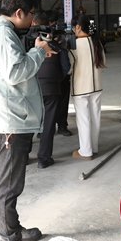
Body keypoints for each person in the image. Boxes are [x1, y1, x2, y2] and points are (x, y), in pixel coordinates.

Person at [0, 0, 56, 241]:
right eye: (31, 13)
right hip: (7, 124)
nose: (33, 20)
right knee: (8, 186)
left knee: (11, 183)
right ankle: (11, 240)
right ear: (19, 12)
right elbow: (15, 72)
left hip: (10, 119)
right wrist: (38, 52)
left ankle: (13, 228)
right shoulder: (1, 35)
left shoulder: (4, 33)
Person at [32, 10, 71, 169]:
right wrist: (56, 79)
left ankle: (23, 155)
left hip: (32, 89)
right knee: (48, 125)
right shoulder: (56, 43)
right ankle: (43, 158)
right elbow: (66, 66)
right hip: (51, 88)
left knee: (27, 124)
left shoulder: (27, 42)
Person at [68, 14, 106, 161]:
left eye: (73, 27)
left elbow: (69, 68)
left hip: (81, 88)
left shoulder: (74, 45)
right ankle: (94, 148)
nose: (72, 30)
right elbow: (102, 63)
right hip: (97, 86)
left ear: (78, 27)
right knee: (95, 118)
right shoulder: (97, 43)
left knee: (84, 120)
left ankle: (85, 152)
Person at [47, 9, 72, 137]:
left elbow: (66, 54)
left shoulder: (63, 35)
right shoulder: (41, 36)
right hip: (49, 76)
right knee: (47, 104)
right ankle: (46, 128)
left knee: (62, 102)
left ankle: (62, 125)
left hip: (61, 75)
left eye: (54, 22)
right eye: (51, 23)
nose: (53, 25)